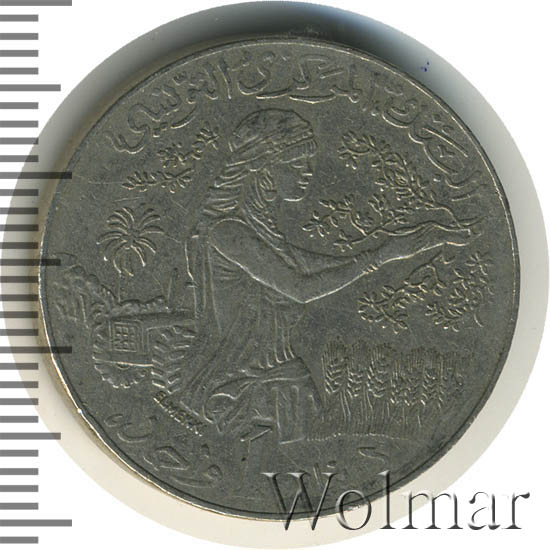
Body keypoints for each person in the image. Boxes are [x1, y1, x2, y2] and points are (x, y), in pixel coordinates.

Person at [174, 108, 469, 441]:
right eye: (297, 163)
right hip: (235, 387)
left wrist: (404, 244)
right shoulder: (228, 233)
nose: (309, 172)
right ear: (264, 168)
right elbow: (300, 288)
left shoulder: (268, 239)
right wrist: (379, 255)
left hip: (281, 378)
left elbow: (325, 264)